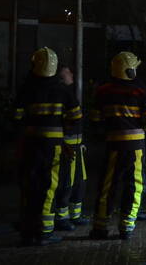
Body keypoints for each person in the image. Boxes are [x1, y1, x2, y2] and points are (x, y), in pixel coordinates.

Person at [12, 47, 81, 246]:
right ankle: (45, 232)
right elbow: (75, 117)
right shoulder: (63, 91)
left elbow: (16, 117)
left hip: (30, 144)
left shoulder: (26, 88)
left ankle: (27, 231)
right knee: (49, 187)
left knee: (28, 186)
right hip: (54, 147)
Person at [89, 52, 146, 240]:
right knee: (135, 185)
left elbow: (95, 121)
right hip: (135, 146)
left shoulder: (103, 91)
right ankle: (126, 226)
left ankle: (100, 226)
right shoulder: (139, 90)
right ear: (130, 70)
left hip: (112, 145)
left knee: (107, 186)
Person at [53, 65, 89, 230]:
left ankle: (75, 215)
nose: (72, 74)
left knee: (79, 182)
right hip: (67, 147)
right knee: (66, 182)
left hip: (77, 145)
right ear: (61, 76)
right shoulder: (61, 94)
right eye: (68, 72)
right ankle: (62, 217)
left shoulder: (67, 93)